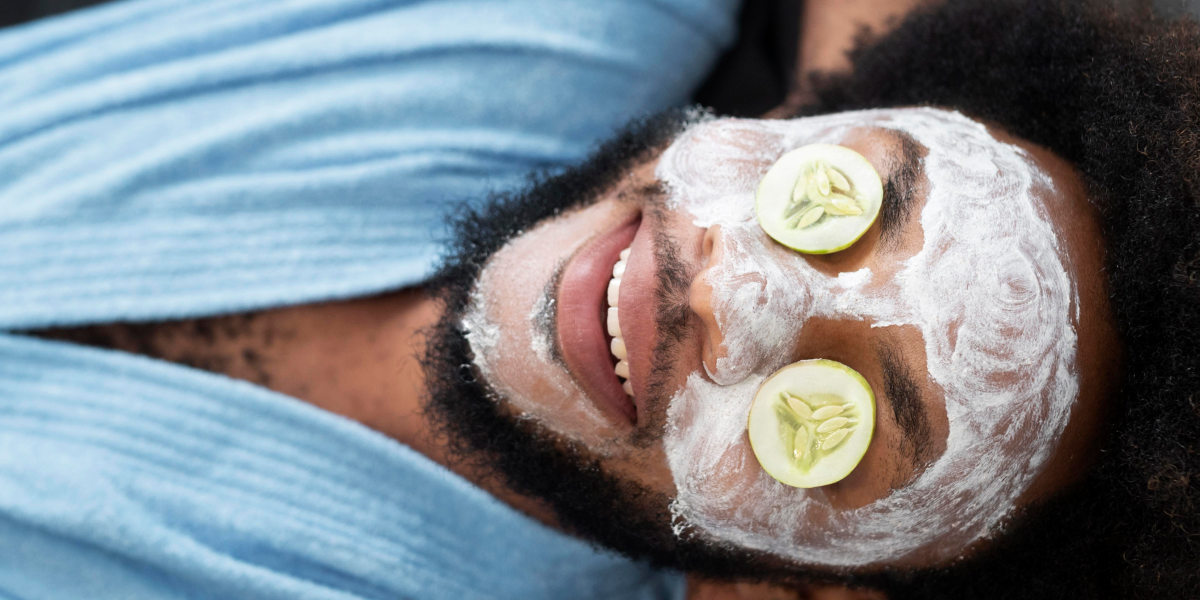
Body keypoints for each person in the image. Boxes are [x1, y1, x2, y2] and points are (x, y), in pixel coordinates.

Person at [4, 2, 1197, 600]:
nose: (736, 292)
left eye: (844, 421)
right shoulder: (552, 35)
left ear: (801, 586)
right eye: (837, 199)